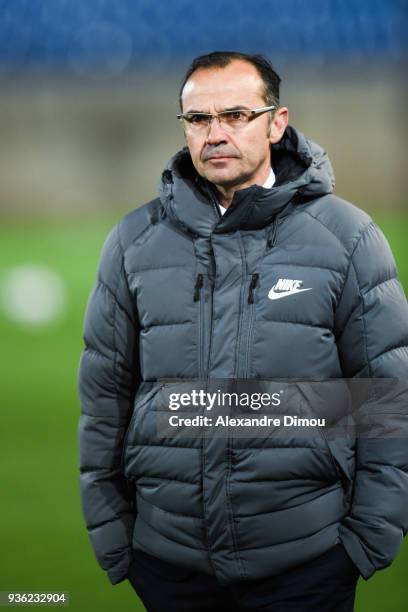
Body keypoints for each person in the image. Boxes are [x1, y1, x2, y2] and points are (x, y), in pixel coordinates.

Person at [77, 51, 408, 611]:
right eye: (199, 119)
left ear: (277, 122)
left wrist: (365, 542)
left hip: (308, 564)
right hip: (167, 565)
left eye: (235, 115)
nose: (215, 134)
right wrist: (118, 542)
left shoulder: (349, 238)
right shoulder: (132, 243)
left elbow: (388, 398)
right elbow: (105, 402)